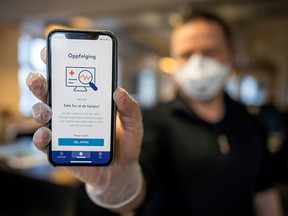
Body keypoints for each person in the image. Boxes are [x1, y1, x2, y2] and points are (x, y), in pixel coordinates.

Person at [27, 12, 283, 215]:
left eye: (209, 51)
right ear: (175, 61)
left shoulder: (253, 125)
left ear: (230, 57)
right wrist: (116, 183)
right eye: (186, 54)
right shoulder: (152, 122)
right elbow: (137, 195)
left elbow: (265, 193)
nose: (198, 62)